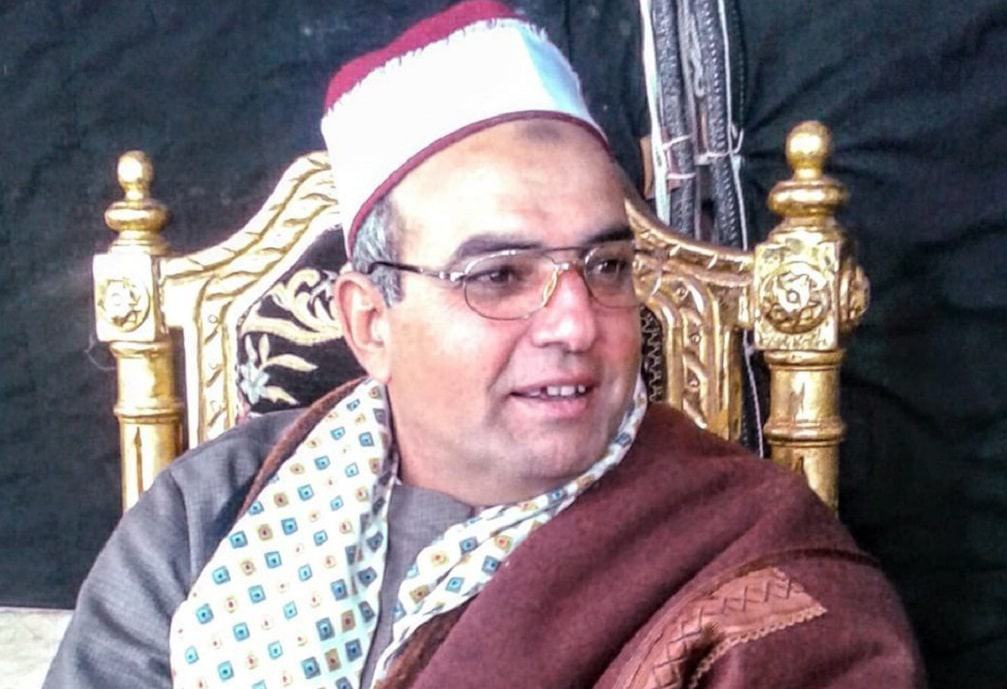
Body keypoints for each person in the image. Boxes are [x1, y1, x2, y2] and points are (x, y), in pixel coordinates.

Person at [45, 2, 925, 688]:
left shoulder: (750, 563)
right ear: (370, 323)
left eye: (606, 266)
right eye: (498, 275)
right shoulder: (214, 508)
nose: (577, 322)